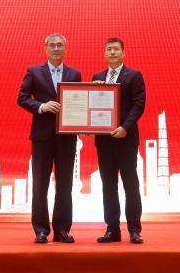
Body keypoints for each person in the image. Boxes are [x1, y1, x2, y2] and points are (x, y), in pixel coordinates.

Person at [17, 33, 80, 244]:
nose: (56, 48)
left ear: (65, 48)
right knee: (40, 184)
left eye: (59, 45)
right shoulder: (34, 71)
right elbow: (22, 98)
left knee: (65, 185)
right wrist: (41, 106)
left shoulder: (74, 74)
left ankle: (62, 230)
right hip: (42, 137)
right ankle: (41, 230)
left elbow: (79, 101)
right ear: (45, 48)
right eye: (52, 45)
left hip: (67, 137)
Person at [92, 37, 146, 244]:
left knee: (130, 184)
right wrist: (94, 90)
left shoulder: (134, 75)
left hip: (126, 139)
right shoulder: (98, 77)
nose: (112, 52)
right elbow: (92, 106)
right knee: (108, 186)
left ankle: (134, 229)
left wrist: (125, 127)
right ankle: (112, 230)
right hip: (104, 141)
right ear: (104, 54)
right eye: (109, 49)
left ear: (123, 53)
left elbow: (138, 105)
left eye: (116, 49)